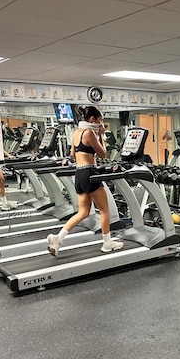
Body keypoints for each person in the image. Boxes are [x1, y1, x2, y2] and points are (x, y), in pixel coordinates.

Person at [46, 105, 123, 256]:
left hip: (79, 174)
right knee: (104, 210)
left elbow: (73, 154)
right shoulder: (89, 133)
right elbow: (102, 154)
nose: (101, 124)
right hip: (90, 172)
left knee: (83, 212)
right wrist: (101, 135)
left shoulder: (77, 133)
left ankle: (58, 238)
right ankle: (107, 243)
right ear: (92, 119)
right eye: (100, 121)